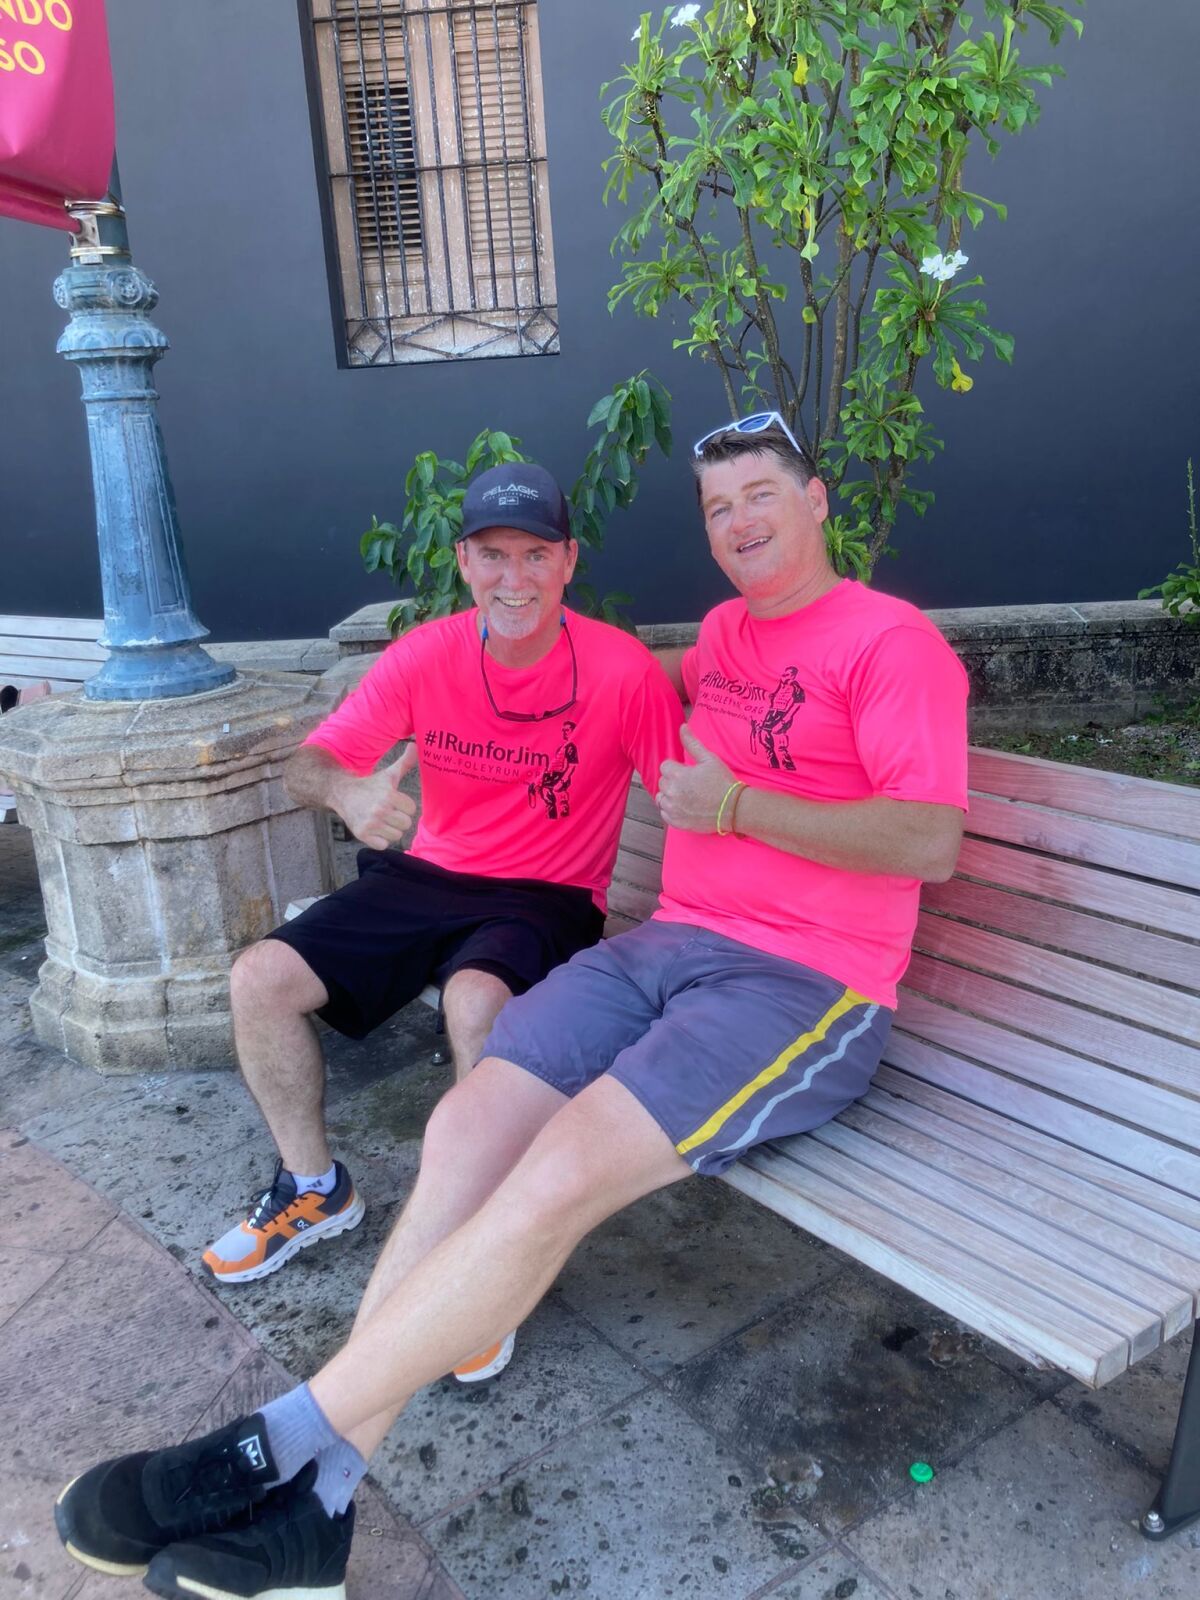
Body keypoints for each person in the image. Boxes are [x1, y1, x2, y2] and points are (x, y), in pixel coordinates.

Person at [55, 416, 969, 1600]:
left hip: (804, 983)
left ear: (818, 501)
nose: (739, 524)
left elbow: (930, 838)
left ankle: (269, 1446)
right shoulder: (727, 639)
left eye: (761, 496)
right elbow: (632, 736)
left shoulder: (894, 646)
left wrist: (737, 811)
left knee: (554, 1172)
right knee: (461, 1134)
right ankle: (316, 1524)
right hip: (669, 945)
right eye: (718, 509)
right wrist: (356, 785)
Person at [199, 463, 683, 1363]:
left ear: (568, 560)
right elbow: (309, 764)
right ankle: (314, 1188)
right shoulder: (426, 654)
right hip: (424, 879)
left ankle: (481, 1245)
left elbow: (683, 799)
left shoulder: (620, 670)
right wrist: (345, 792)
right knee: (258, 977)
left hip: (547, 896)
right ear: (465, 562)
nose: (515, 578)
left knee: (474, 1001)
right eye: (494, 554)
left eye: (535, 554)